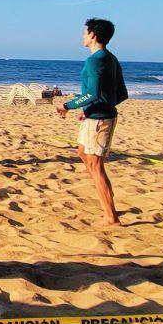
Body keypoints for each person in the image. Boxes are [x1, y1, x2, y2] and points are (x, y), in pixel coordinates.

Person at [56, 17, 129, 227]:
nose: (82, 36)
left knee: (96, 165)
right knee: (82, 153)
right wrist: (90, 110)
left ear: (93, 35)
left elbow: (92, 93)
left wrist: (68, 106)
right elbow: (121, 94)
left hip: (100, 120)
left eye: (84, 33)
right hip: (96, 116)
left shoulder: (96, 60)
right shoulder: (111, 58)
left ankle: (111, 217)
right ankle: (107, 203)